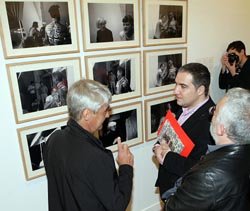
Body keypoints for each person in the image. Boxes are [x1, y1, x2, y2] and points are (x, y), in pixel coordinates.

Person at [43, 79, 134, 211]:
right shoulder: (96, 158)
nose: (108, 114)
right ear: (87, 114)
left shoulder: (53, 140)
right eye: (104, 110)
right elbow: (117, 205)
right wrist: (126, 167)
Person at [164, 88, 250, 211]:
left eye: (215, 111)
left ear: (221, 129)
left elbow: (171, 207)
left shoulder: (208, 177)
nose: (211, 112)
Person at [153, 63, 215, 197]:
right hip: (168, 186)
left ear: (200, 90)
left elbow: (199, 168)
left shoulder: (211, 121)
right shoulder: (180, 106)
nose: (175, 91)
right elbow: (165, 139)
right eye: (176, 84)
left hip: (185, 194)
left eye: (183, 86)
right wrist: (157, 146)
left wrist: (166, 156)